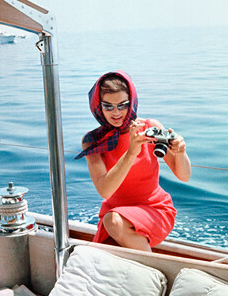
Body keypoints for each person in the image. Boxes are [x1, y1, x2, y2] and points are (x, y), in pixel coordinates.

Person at [75, 70, 191, 251]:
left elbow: (184, 176)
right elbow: (105, 190)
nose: (116, 113)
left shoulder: (150, 127)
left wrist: (181, 152)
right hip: (115, 215)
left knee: (113, 222)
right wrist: (131, 152)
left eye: (122, 105)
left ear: (132, 102)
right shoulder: (92, 141)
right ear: (98, 106)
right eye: (108, 106)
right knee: (108, 242)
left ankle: (154, 270)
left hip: (154, 209)